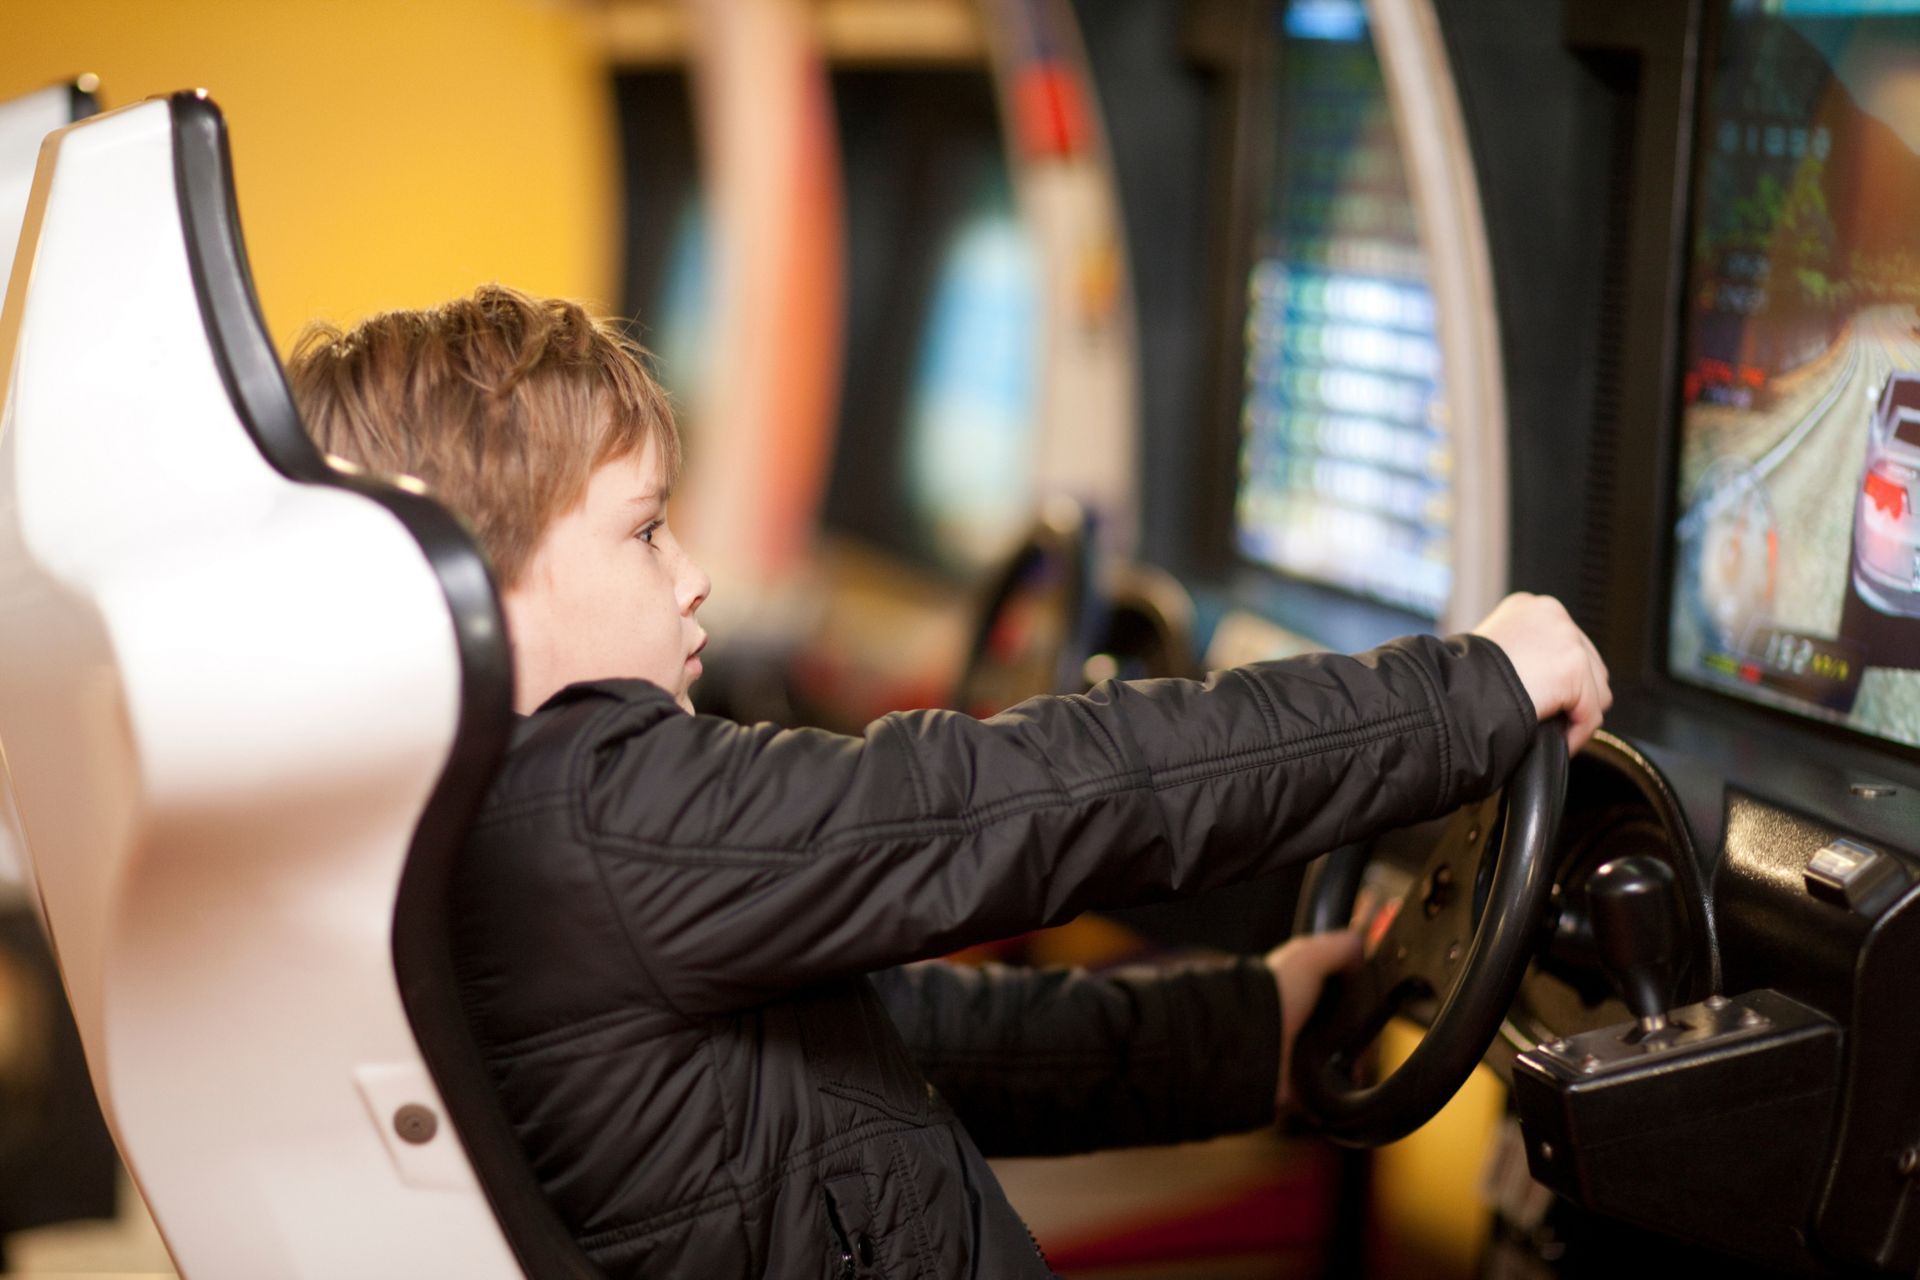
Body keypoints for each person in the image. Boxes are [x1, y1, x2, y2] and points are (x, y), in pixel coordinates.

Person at [289, 284, 1610, 1279]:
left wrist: (1238, 1034)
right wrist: (1466, 691)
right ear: (471, 600)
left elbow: (874, 1045)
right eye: (643, 532)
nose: (693, 575)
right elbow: (1033, 799)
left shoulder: (482, 825)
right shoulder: (592, 818)